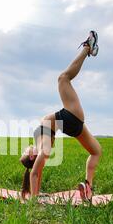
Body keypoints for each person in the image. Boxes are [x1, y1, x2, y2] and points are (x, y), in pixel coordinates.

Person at [20, 31, 102, 201]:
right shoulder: (42, 148)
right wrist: (34, 201)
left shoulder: (39, 143)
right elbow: (35, 172)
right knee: (63, 78)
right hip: (69, 118)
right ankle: (88, 47)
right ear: (32, 156)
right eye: (25, 151)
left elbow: (37, 171)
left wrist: (36, 193)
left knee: (96, 152)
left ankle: (88, 186)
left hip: (73, 124)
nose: (25, 148)